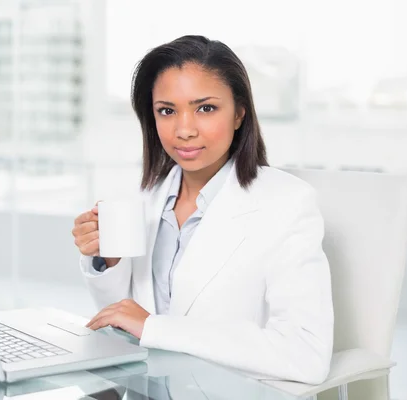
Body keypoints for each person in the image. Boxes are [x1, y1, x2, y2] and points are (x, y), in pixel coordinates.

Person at [71, 35, 333, 384]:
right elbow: (124, 322)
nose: (184, 130)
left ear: (239, 113)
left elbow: (305, 354)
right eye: (167, 111)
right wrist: (109, 262)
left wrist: (156, 328)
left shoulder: (287, 204)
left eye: (205, 108)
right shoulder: (141, 199)